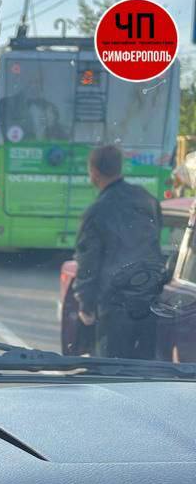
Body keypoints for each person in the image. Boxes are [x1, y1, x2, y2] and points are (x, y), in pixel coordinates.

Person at [73, 144, 165, 359]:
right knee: (143, 372)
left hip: (114, 304)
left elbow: (88, 263)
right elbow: (154, 241)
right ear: (119, 168)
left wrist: (86, 305)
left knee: (110, 372)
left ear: (94, 173)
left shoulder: (96, 211)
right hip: (148, 301)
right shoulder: (147, 199)